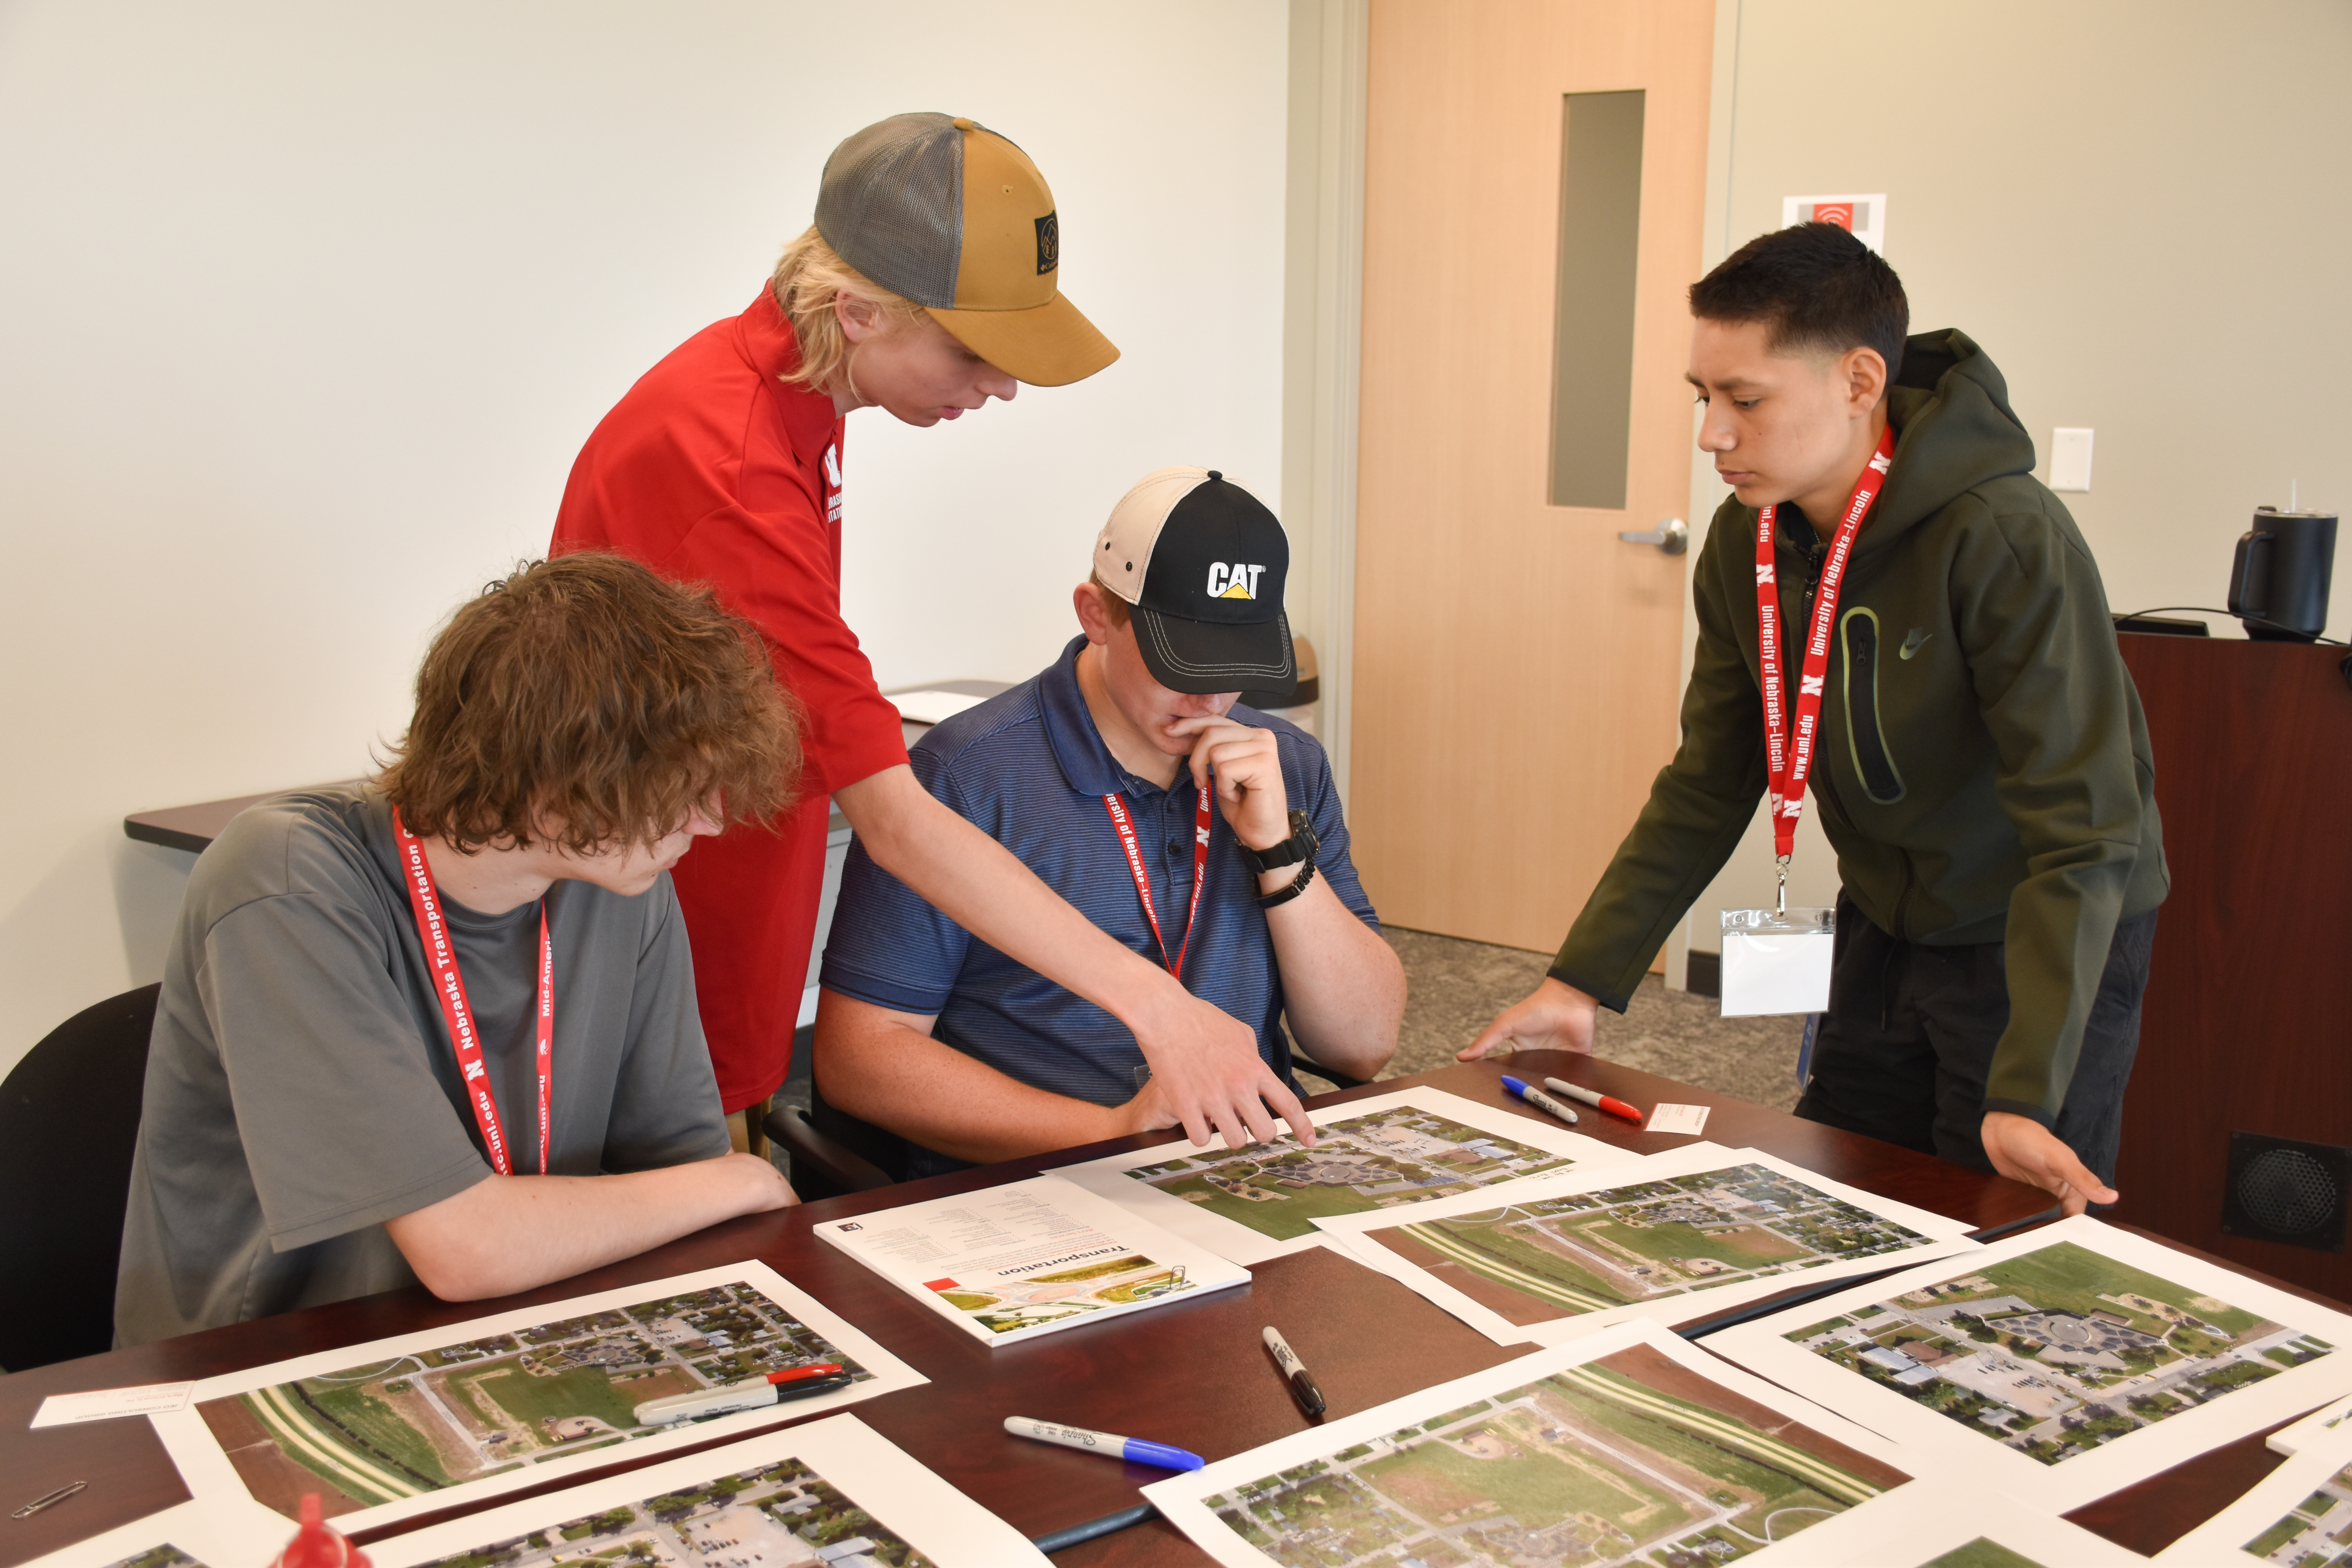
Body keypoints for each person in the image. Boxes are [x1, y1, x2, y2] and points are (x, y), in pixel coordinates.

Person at [552, 112, 1313, 1154]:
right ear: (859, 312)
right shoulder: (727, 459)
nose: (998, 387)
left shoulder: (796, 393)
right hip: (657, 939)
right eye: (975, 353)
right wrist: (1163, 1010)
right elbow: (897, 821)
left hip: (719, 903)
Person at [1465, 223, 2167, 1217]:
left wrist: (2022, 1090)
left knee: (1995, 1224)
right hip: (1886, 919)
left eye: (1745, 400)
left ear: (1859, 380)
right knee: (1845, 1193)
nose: (1712, 432)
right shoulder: (1745, 539)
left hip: (2040, 933)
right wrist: (1581, 980)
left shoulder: (2003, 537)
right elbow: (1712, 774)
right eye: (1702, 397)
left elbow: (2088, 830)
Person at [115, 555, 799, 1343]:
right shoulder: (285, 877)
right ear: (557, 779)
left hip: (531, 1324)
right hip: (287, 1361)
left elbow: (687, 1180)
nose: (711, 821)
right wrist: (749, 1172)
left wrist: (724, 1188)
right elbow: (464, 1249)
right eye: (681, 788)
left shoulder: (621, 883)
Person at [811, 468, 1404, 1179]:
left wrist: (1280, 851)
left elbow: (1363, 1045)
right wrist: (1113, 1132)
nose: (1210, 699)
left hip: (1245, 1169)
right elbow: (858, 1057)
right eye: (1181, 663)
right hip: (1041, 1183)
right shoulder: (966, 774)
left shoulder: (1286, 763)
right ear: (1095, 614)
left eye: (1235, 666)